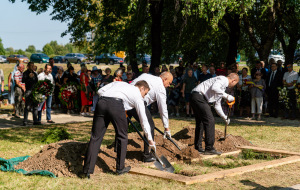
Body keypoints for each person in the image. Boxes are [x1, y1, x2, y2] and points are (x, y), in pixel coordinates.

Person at [81, 81, 153, 178]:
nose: (144, 96)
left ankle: (87, 171)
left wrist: (109, 103)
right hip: (116, 104)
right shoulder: (137, 95)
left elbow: (101, 90)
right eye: (145, 93)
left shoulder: (120, 84)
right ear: (142, 88)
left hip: (101, 102)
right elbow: (144, 120)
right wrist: (150, 140)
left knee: (95, 137)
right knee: (122, 136)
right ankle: (120, 168)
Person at [128, 72, 173, 162]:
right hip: (138, 100)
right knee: (150, 125)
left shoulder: (146, 75)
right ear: (164, 79)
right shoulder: (161, 88)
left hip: (127, 97)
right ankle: (147, 155)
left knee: (123, 126)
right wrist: (166, 128)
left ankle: (117, 149)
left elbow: (133, 84)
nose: (168, 85)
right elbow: (163, 110)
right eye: (169, 83)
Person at [190, 73, 239, 155]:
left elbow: (217, 105)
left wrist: (225, 117)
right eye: (235, 84)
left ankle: (198, 147)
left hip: (196, 97)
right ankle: (209, 148)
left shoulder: (222, 89)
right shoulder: (223, 79)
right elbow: (214, 87)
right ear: (233, 80)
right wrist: (227, 96)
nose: (233, 86)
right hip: (198, 96)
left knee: (201, 122)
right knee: (210, 120)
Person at [22, 62, 39, 126]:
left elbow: (37, 82)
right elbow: (23, 81)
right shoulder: (25, 73)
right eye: (31, 66)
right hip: (28, 91)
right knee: (27, 106)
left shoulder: (35, 73)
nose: (32, 67)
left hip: (34, 91)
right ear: (28, 66)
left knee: (35, 107)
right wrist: (29, 77)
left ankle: (35, 120)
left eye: (33, 66)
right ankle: (25, 121)